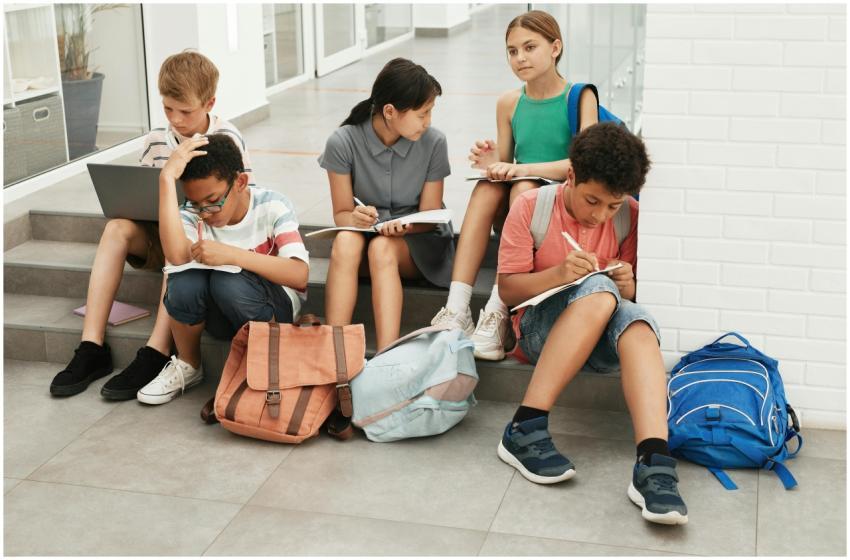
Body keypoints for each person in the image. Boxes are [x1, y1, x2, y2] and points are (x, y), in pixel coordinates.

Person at [495, 122, 689, 525]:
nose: (601, 215)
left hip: (598, 336)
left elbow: (627, 301)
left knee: (637, 322)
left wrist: (630, 284)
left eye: (613, 206)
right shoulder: (531, 207)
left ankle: (654, 460)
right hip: (538, 333)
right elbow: (509, 291)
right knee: (599, 288)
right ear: (571, 176)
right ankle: (524, 428)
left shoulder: (627, 218)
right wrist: (561, 275)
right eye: (592, 201)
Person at [49, 50, 255, 399]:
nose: (175, 119)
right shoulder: (155, 141)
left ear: (209, 103)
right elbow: (143, 195)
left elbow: (240, 205)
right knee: (116, 229)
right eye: (167, 109)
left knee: (179, 241)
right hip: (160, 231)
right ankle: (91, 347)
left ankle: (157, 351)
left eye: (185, 111)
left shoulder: (228, 140)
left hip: (203, 240)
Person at [431, 10, 599, 361]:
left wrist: (523, 170)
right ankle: (457, 310)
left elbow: (583, 165)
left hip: (555, 206)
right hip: (520, 208)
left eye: (529, 47)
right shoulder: (508, 102)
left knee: (526, 190)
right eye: (512, 51)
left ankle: (497, 312)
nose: (520, 58)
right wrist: (491, 163)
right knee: (487, 189)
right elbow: (505, 165)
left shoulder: (580, 97)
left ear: (555, 48)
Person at [138, 133, 308, 405]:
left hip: (272, 311)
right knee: (183, 278)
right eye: (196, 204)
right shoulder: (193, 213)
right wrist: (166, 178)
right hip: (221, 313)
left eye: (214, 200)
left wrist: (233, 255)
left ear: (240, 182)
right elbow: (176, 256)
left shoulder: (272, 205)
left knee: (227, 282)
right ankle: (189, 364)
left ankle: (260, 364)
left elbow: (299, 274)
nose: (205, 212)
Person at [318, 57, 453, 351]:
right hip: (364, 241)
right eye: (422, 113)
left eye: (430, 112)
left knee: (382, 248)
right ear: (390, 111)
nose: (428, 121)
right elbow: (341, 212)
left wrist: (403, 226)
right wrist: (355, 218)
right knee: (345, 242)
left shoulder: (434, 143)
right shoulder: (342, 142)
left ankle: (387, 353)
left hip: (417, 241)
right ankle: (333, 351)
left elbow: (431, 216)